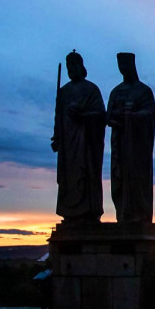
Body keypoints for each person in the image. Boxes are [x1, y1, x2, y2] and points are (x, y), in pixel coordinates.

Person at [51, 50, 106, 223]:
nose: (71, 69)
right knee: (69, 178)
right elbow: (58, 117)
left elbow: (101, 115)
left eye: (74, 65)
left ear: (81, 66)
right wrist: (57, 137)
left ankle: (88, 213)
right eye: (68, 66)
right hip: (68, 145)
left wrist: (83, 115)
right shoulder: (64, 92)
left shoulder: (91, 89)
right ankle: (70, 213)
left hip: (85, 143)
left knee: (86, 174)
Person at [107, 52, 155, 222]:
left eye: (125, 64)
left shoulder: (144, 91)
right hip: (120, 144)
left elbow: (150, 113)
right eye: (120, 65)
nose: (123, 68)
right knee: (119, 179)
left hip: (137, 147)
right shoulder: (116, 92)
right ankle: (123, 215)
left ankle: (139, 216)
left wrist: (133, 115)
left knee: (137, 181)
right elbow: (108, 117)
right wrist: (118, 116)